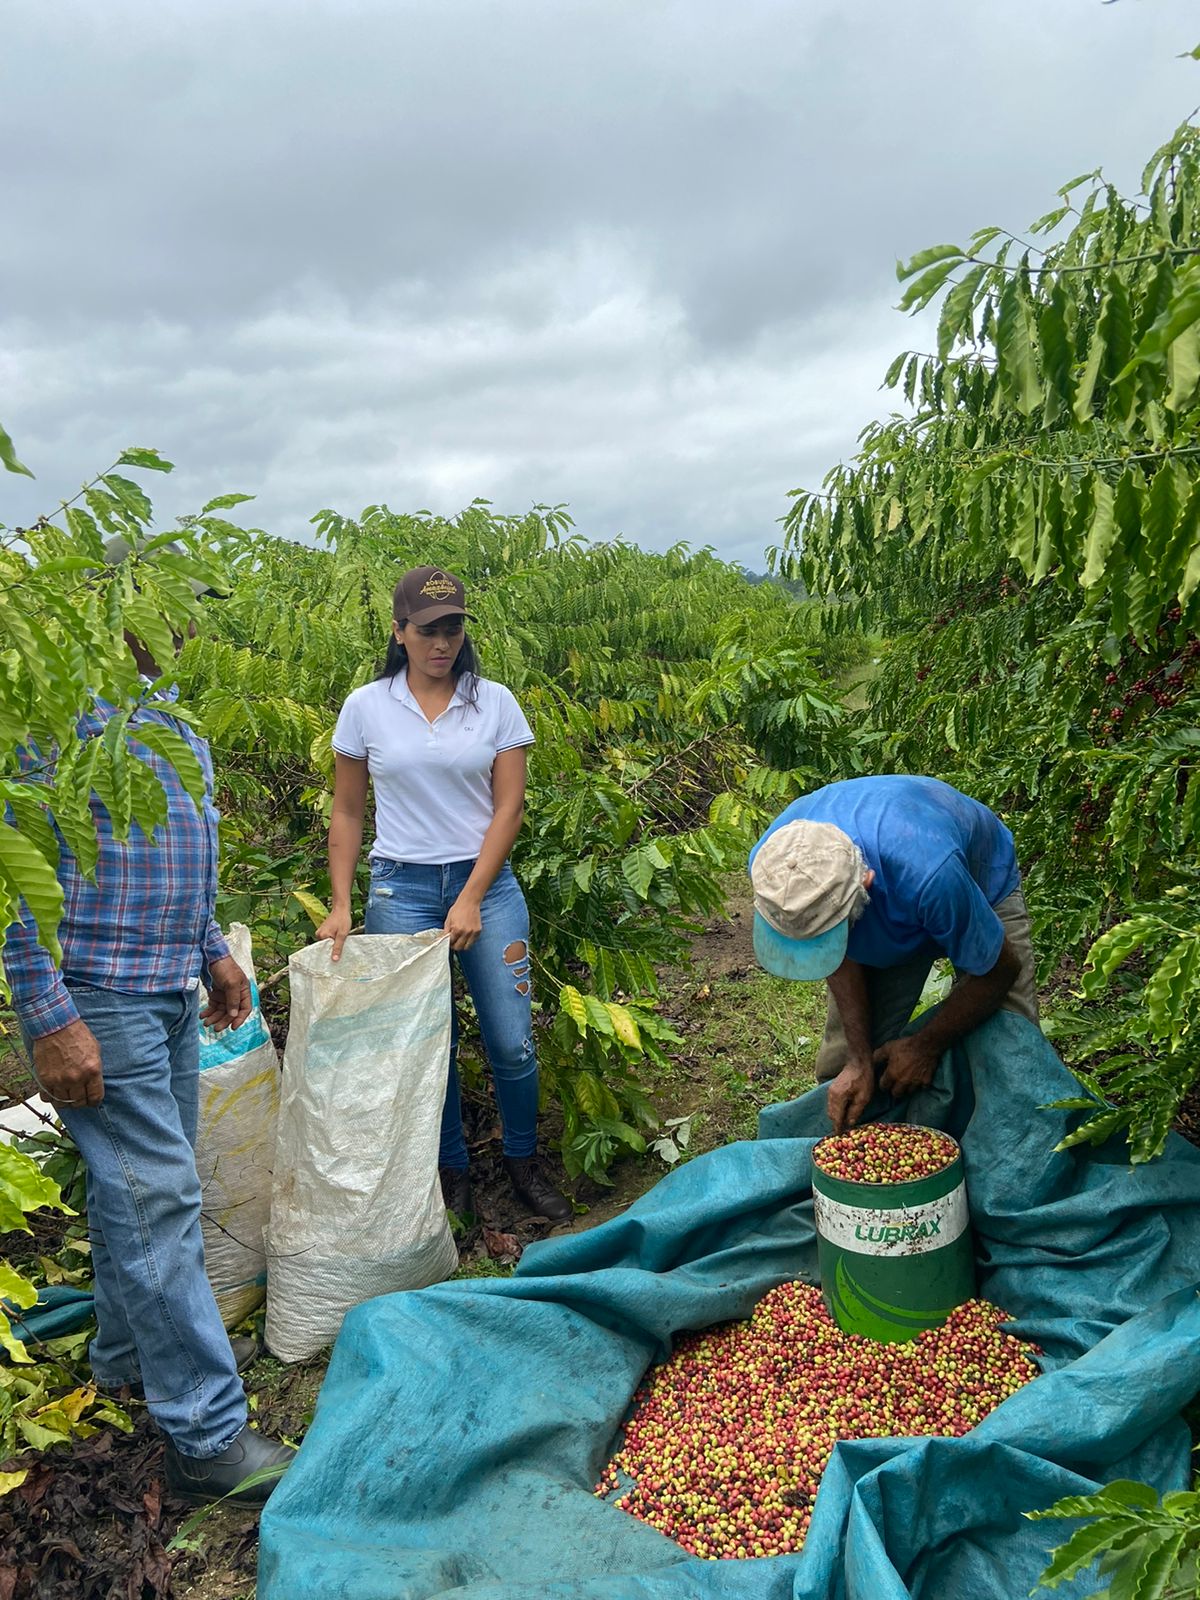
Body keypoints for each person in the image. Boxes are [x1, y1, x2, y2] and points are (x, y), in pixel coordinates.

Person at [4, 540, 293, 1504]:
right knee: (160, 1197)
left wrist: (210, 948)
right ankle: (205, 1435)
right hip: (97, 994)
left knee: (134, 1192)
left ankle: (124, 1364)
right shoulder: (50, 720)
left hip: (166, 985)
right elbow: (13, 876)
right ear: (114, 606)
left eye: (190, 605)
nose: (182, 623)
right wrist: (47, 1012)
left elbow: (182, 851)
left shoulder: (172, 720)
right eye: (163, 602)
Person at [316, 565, 571, 1224]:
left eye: (452, 627)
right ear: (399, 632)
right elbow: (347, 812)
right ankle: (449, 1169)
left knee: (512, 1041)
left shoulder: (495, 702)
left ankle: (522, 1160)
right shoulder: (367, 707)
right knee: (428, 1043)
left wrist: (472, 895)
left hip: (484, 886)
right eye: (428, 629)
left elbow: (509, 807)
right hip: (401, 888)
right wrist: (342, 905)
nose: (442, 642)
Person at [748, 775, 1039, 1133]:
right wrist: (858, 1059)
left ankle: (1009, 1151)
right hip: (900, 893)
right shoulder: (774, 865)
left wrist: (924, 1046)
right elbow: (837, 952)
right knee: (847, 1062)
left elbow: (1000, 971)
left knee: (1013, 1049)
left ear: (866, 883)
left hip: (973, 877)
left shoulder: (933, 876)